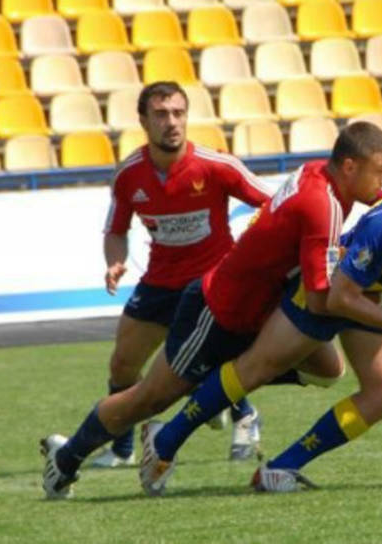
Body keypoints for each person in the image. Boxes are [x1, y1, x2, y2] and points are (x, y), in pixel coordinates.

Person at [40, 122, 382, 499]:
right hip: (219, 311)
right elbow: (321, 301)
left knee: (327, 368)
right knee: (150, 398)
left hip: (261, 309)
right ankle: (66, 458)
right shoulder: (321, 206)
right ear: (349, 167)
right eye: (380, 171)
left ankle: (214, 389)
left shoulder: (322, 173)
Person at [140, 145, 382, 494]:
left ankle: (282, 468)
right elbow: (340, 297)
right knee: (257, 368)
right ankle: (166, 441)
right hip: (328, 293)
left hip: (378, 298)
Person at [90, 81, 272, 468]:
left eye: (178, 113)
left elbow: (276, 204)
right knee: (122, 365)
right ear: (143, 121)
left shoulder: (217, 165)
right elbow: (116, 231)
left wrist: (255, 251)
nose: (171, 122)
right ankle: (122, 449)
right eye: (161, 114)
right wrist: (114, 262)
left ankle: (245, 415)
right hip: (160, 282)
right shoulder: (128, 175)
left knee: (208, 359)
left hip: (212, 283)